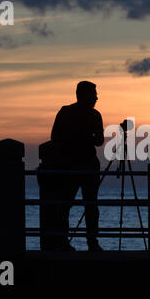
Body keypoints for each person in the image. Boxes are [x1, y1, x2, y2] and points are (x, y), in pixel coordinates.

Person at [50, 81, 104, 252]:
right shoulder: (75, 113)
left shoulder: (89, 114)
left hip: (79, 165)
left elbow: (99, 141)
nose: (96, 97)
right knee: (77, 205)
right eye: (93, 94)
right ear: (82, 94)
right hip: (73, 165)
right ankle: (88, 243)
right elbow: (98, 141)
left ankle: (74, 242)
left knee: (79, 205)